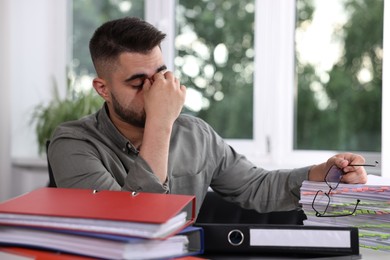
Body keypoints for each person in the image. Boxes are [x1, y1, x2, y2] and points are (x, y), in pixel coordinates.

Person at [48, 17, 368, 215]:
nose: (156, 90)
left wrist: (320, 173)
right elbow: (132, 224)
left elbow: (258, 186)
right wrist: (160, 122)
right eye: (137, 83)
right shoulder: (72, 143)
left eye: (160, 75)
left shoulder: (195, 134)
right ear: (103, 89)